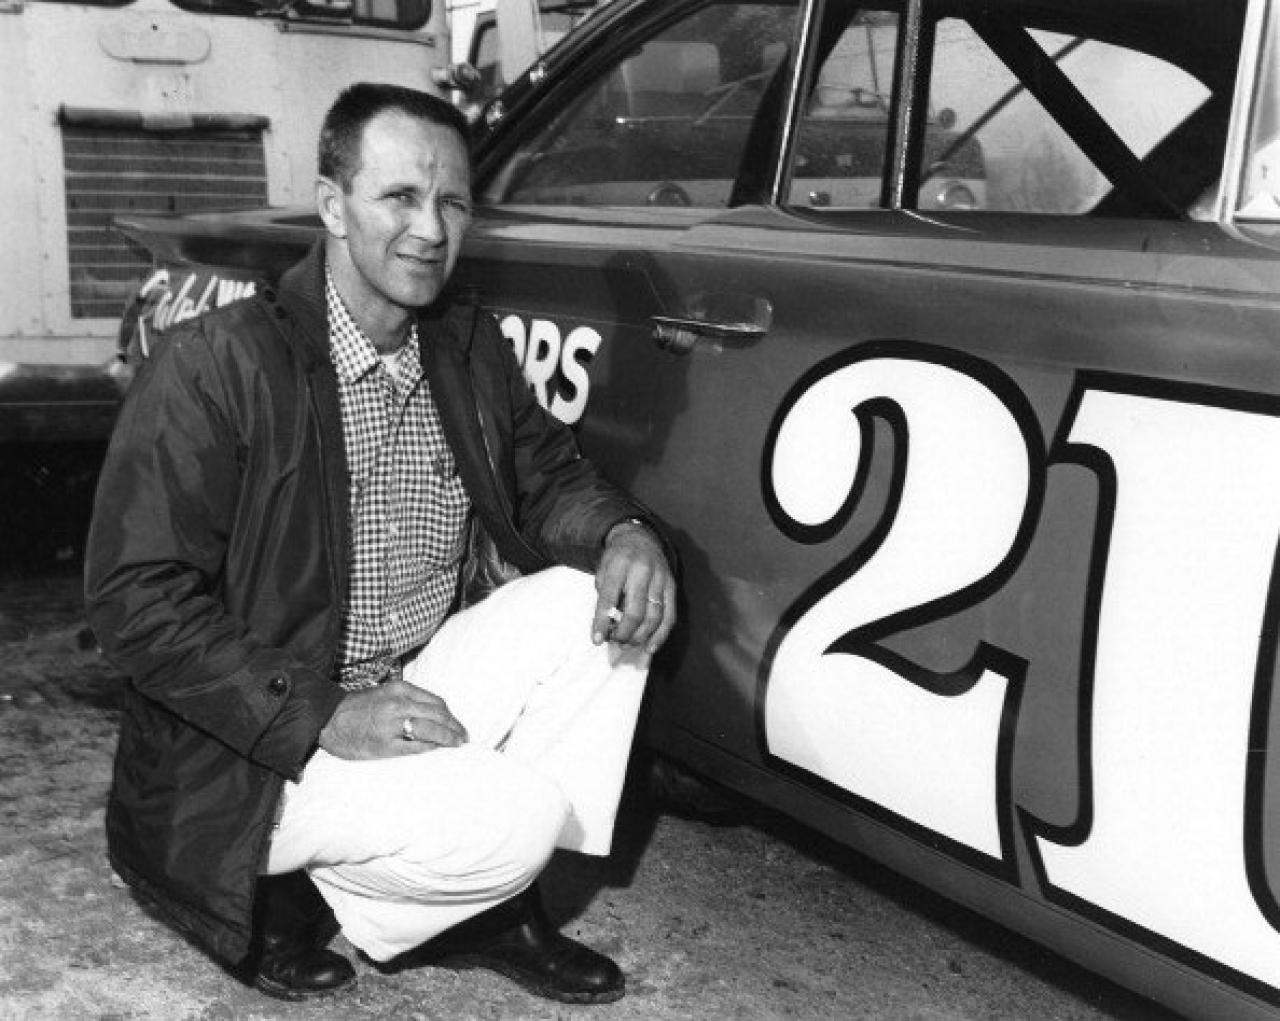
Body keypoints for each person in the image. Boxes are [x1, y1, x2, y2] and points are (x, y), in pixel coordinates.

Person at [84, 82, 677, 1006]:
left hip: (402, 687)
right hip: (253, 744)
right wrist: (324, 712)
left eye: (452, 202)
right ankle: (301, 885)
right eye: (399, 196)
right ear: (333, 206)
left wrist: (626, 533)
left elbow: (549, 478)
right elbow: (135, 604)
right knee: (526, 813)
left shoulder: (463, 345)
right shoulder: (214, 364)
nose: (430, 230)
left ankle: (468, 900)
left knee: (591, 601)